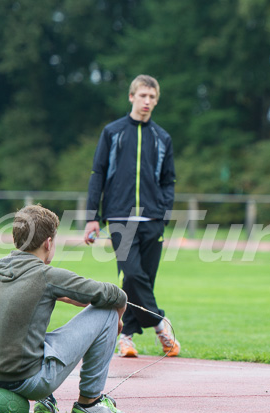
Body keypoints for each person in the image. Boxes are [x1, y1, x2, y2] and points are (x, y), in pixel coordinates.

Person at [0, 205, 137, 413]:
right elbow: (115, 295)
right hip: (27, 380)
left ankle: (46, 400)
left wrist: (61, 296)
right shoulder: (46, 275)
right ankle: (90, 403)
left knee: (29, 326)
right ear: (48, 243)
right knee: (107, 312)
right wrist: (119, 317)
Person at [84, 74, 179, 359]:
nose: (147, 102)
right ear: (131, 97)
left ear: (156, 100)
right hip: (120, 219)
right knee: (134, 273)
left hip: (152, 221)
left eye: (152, 97)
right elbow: (97, 174)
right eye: (142, 96)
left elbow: (168, 181)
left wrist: (163, 214)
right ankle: (161, 323)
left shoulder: (163, 138)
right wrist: (93, 217)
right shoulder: (112, 132)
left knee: (140, 282)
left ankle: (125, 336)